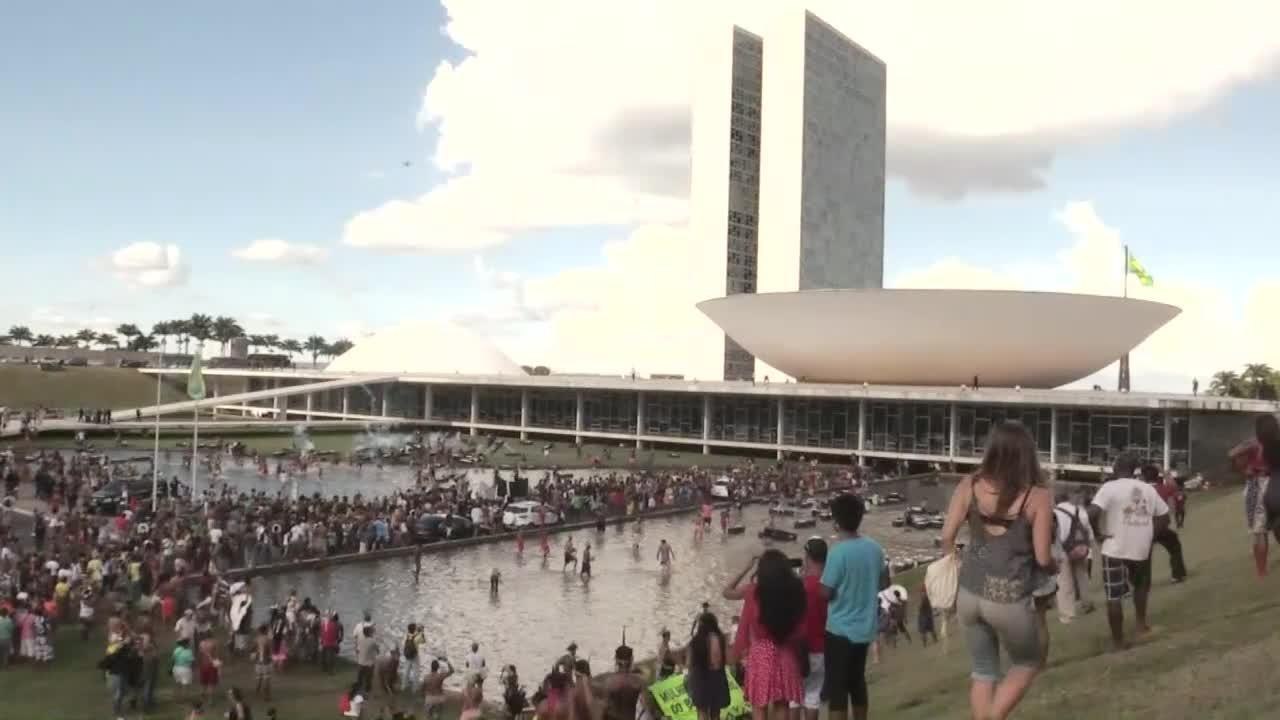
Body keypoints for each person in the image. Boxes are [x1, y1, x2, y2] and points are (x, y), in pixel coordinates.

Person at [940, 421, 1056, 720]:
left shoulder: (970, 484)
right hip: (1008, 595)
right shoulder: (1037, 496)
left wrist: (958, 561)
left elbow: (947, 536)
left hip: (968, 592)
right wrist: (1057, 567)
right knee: (1027, 663)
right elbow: (1043, 557)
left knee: (983, 670)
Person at [1089, 452, 1170, 651]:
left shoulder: (1109, 487)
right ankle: (1141, 625)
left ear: (1116, 469)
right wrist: (1150, 535)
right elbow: (1164, 516)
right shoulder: (1147, 489)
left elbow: (1092, 512)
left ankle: (1118, 642)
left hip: (1114, 547)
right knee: (1141, 586)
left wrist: (1098, 534)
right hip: (1140, 546)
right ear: (1134, 471)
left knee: (1113, 596)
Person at [820, 494, 883, 720]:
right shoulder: (875, 548)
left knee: (838, 689)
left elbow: (825, 593)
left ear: (836, 521)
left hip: (839, 630)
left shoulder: (837, 552)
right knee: (857, 682)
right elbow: (885, 582)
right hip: (865, 630)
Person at [723, 550, 806, 720]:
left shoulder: (753, 591)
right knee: (782, 704)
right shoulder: (793, 592)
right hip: (786, 653)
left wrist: (747, 567)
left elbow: (727, 592)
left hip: (761, 655)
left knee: (759, 705)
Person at [1231, 414, 1280, 577]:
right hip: (1274, 484)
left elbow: (1232, 454)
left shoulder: (1254, 443)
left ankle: (1261, 571)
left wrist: (1246, 468)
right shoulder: (1273, 443)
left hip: (1258, 486)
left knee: (1259, 531)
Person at [794, 537, 828, 720]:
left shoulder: (800, 587)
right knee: (812, 697)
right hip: (820, 649)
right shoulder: (828, 588)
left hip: (798, 649)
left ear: (807, 557)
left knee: (794, 698)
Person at [1053, 490, 1095, 623]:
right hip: (1080, 547)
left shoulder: (1054, 513)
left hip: (1063, 548)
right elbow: (1088, 530)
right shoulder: (1079, 510)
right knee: (1082, 576)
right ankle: (1087, 603)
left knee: (1064, 582)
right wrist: (1089, 545)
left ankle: (1067, 614)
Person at [685, 612, 730, 720]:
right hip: (718, 678)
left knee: (702, 712)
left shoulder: (695, 641)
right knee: (716, 713)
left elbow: (688, 663)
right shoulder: (721, 639)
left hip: (700, 679)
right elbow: (727, 659)